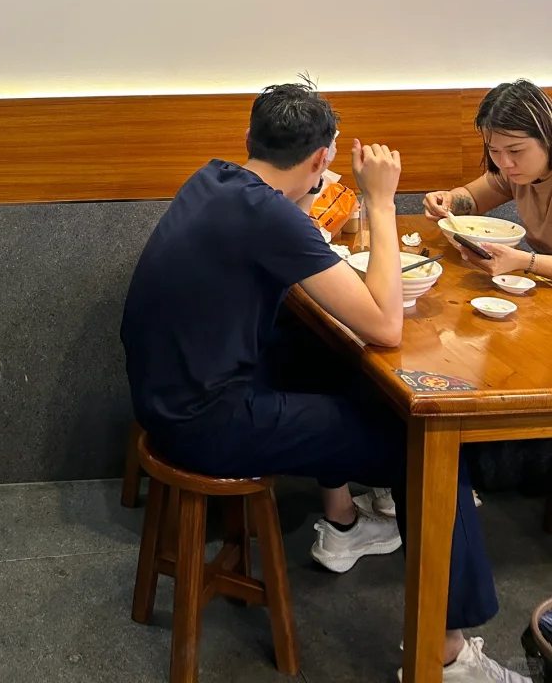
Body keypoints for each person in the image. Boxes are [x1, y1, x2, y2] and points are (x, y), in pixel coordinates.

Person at [122, 80, 521, 683]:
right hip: (206, 423)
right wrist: (381, 201)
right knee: (428, 447)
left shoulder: (216, 179)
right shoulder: (269, 217)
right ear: (319, 159)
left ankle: (343, 524)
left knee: (319, 350)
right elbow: (385, 324)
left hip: (165, 396)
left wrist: (310, 196)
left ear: (250, 138)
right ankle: (447, 656)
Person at [425, 80, 552, 280]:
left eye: (515, 150)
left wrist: (525, 261)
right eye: (494, 150)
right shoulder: (512, 173)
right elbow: (473, 198)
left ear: (547, 138)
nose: (505, 163)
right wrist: (447, 201)